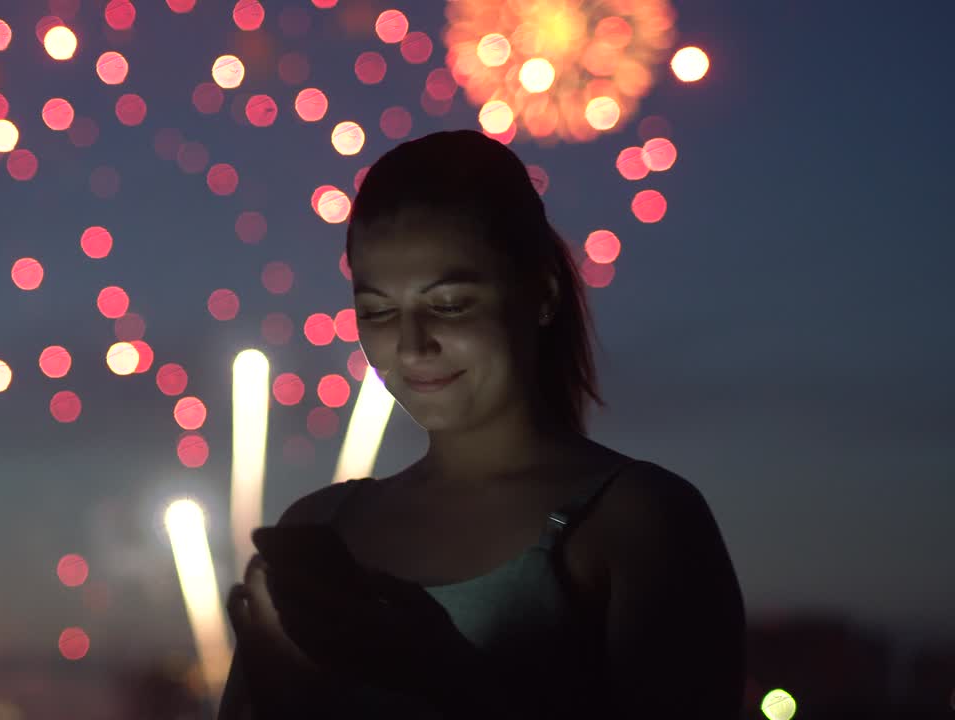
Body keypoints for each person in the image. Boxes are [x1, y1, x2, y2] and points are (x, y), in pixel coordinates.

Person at [217, 130, 747, 719]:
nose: (413, 346)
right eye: (378, 312)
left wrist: (444, 674)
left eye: (448, 305)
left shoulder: (638, 521)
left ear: (541, 291)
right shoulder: (320, 525)